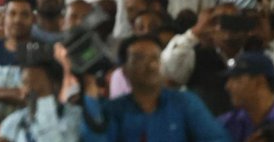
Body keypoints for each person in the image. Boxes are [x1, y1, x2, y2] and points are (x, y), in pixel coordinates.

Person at [80, 35, 227, 141]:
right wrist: (90, 90)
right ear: (124, 70)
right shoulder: (113, 110)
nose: (151, 65)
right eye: (139, 58)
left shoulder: (184, 102)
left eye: (155, 58)